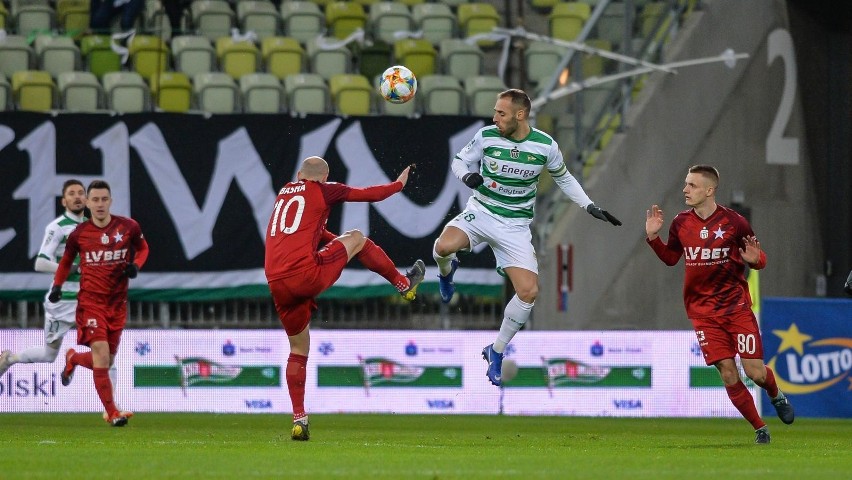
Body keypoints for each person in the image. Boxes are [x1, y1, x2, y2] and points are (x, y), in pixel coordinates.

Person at [431, 89, 622, 387]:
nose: (495, 118)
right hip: (481, 212)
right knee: (442, 247)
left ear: (520, 115)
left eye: (501, 113)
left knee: (529, 291)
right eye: (495, 112)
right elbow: (458, 162)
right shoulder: (486, 136)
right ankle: (447, 272)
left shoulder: (545, 146)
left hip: (514, 227)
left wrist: (589, 205)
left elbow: (564, 177)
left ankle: (495, 351)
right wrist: (467, 176)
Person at [265, 156, 424, 441]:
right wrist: (398, 185)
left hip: (277, 282)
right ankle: (403, 284)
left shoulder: (284, 192)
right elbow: (368, 195)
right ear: (324, 177)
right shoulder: (324, 190)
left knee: (298, 349)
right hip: (305, 274)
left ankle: (299, 419)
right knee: (359, 237)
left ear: (299, 173)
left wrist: (342, 243)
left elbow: (313, 231)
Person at [645, 165, 794, 444]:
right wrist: (654, 238)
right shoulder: (680, 223)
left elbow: (758, 258)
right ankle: (760, 428)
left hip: (736, 308)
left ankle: (776, 394)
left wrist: (755, 260)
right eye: (686, 184)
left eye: (692, 185)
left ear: (709, 190)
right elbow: (670, 258)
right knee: (727, 372)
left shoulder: (735, 223)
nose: (685, 190)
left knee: (755, 372)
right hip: (702, 313)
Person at [0, 181, 119, 406]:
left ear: (86, 199)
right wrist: (71, 268)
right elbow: (41, 263)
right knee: (48, 355)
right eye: (71, 194)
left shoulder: (96, 226)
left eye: (80, 194)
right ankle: (10, 359)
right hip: (63, 302)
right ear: (64, 201)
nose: (76, 197)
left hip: (90, 301)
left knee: (108, 355)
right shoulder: (58, 227)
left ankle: (113, 409)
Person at [50, 180, 149, 427]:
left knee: (106, 361)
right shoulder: (79, 234)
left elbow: (143, 249)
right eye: (95, 199)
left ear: (110, 201)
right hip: (91, 303)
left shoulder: (128, 227)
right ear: (87, 203)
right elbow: (65, 263)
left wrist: (136, 266)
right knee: (102, 357)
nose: (100, 204)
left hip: (117, 304)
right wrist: (57, 287)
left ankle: (73, 358)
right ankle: (113, 413)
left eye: (104, 199)